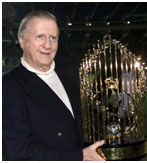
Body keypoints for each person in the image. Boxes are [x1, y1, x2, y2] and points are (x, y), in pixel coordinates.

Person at [2, 10, 106, 161]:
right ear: (22, 41)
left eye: (53, 37)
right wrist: (79, 156)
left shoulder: (69, 73)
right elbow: (18, 150)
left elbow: (84, 120)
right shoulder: (9, 86)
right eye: (40, 37)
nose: (48, 45)